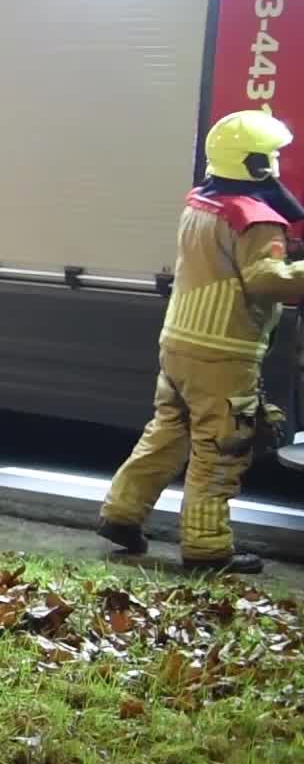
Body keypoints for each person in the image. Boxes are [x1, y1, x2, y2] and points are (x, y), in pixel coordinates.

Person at [98, 109, 304, 574]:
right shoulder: (256, 219)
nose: (276, 161)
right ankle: (207, 548)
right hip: (223, 350)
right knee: (221, 447)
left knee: (167, 432)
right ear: (255, 164)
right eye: (271, 154)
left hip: (179, 341)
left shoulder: (201, 202)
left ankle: (121, 513)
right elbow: (266, 281)